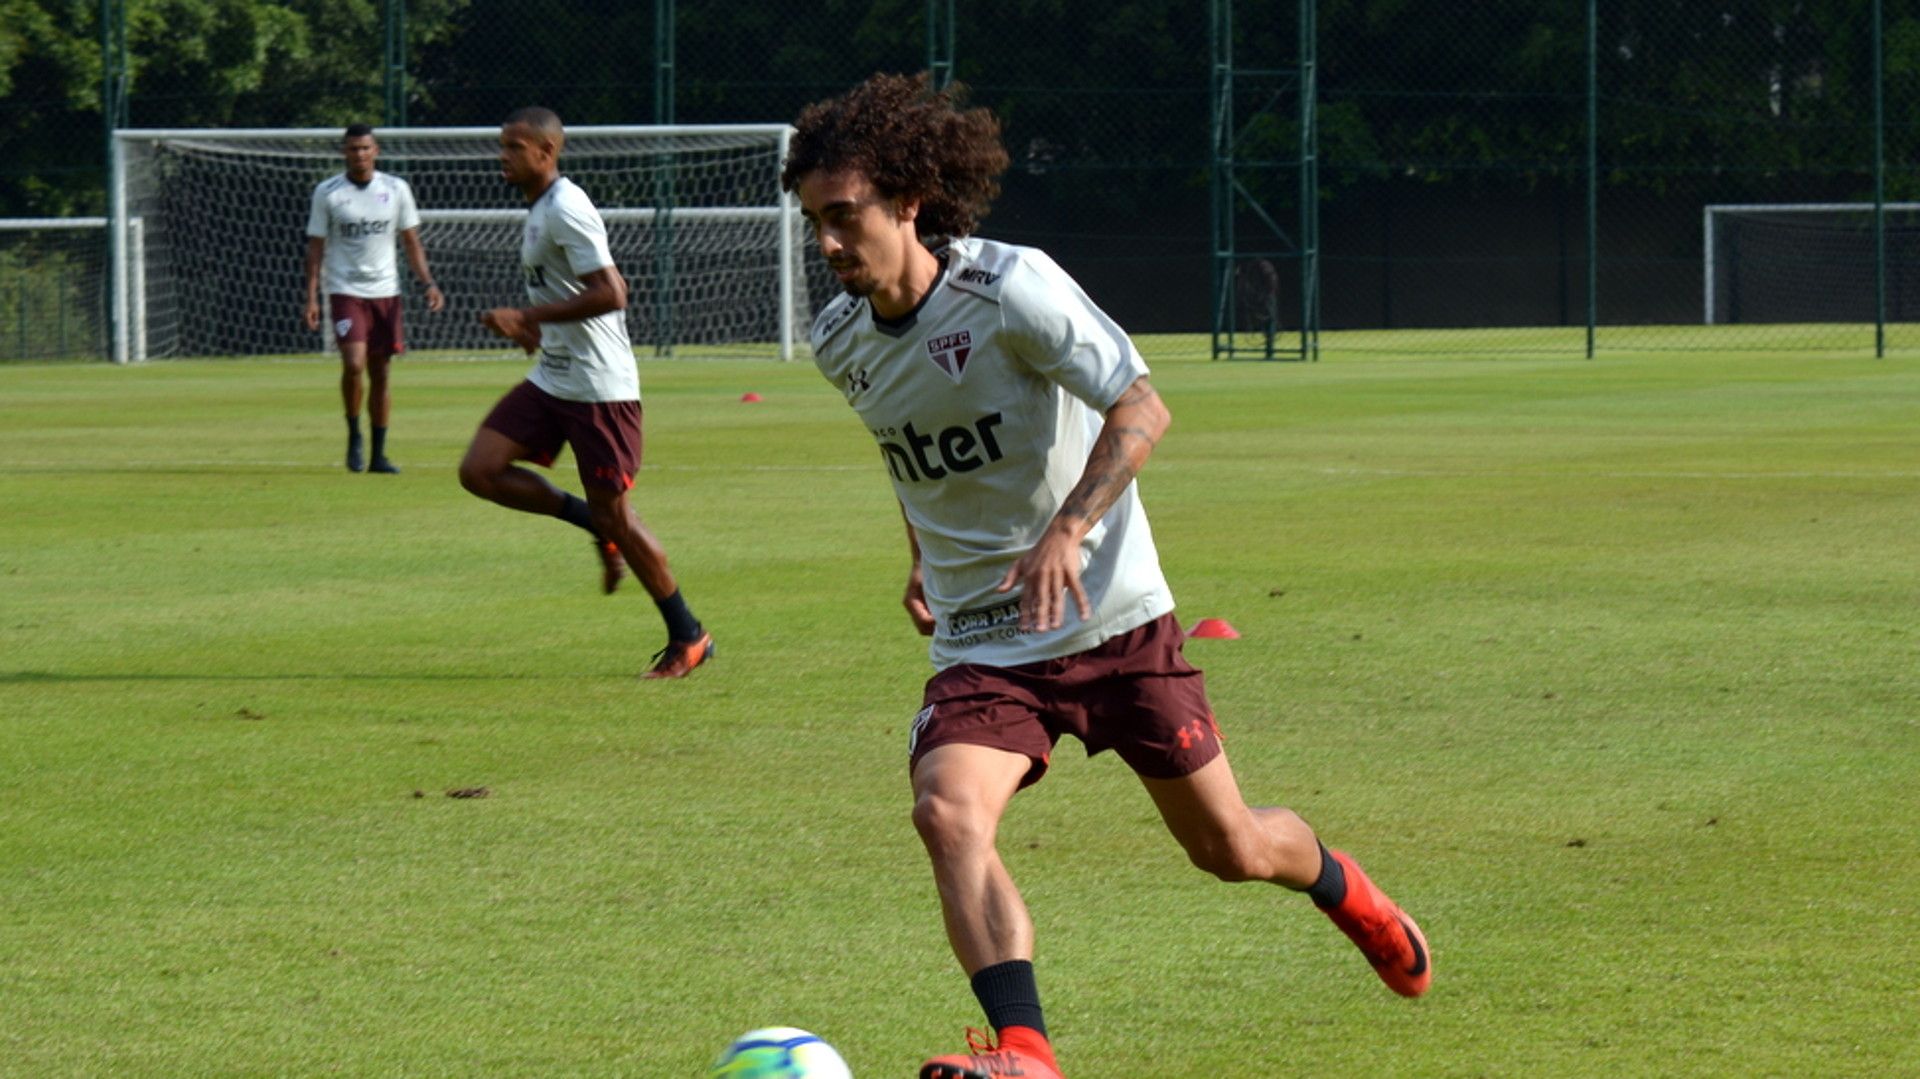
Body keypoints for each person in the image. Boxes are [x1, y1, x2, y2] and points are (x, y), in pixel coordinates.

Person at [782, 73, 1431, 1079]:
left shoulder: (1010, 288)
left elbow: (1141, 406)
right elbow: (912, 456)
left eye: (843, 216)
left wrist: (1068, 529)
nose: (827, 243)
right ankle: (1026, 1050)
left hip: (1113, 617)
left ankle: (1348, 890)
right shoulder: (840, 342)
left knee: (1229, 848)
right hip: (984, 640)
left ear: (907, 201)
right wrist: (919, 558)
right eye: (814, 221)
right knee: (946, 812)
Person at [461, 106, 712, 679]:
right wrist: (535, 330)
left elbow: (612, 292)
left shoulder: (566, 206)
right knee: (480, 470)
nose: (503, 155)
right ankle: (593, 524)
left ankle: (689, 635)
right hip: (554, 376)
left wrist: (526, 315)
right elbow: (572, 291)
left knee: (618, 515)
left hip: (599, 387)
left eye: (514, 146)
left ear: (546, 152)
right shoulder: (538, 209)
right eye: (502, 145)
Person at [304, 123, 445, 473]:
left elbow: (411, 242)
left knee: (381, 372)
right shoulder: (328, 192)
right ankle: (355, 435)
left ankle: (378, 455)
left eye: (365, 148)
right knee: (354, 364)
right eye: (353, 148)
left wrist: (428, 283)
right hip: (345, 290)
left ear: (376, 151)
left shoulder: (396, 189)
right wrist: (311, 297)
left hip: (386, 292)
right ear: (344, 153)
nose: (360, 154)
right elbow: (316, 247)